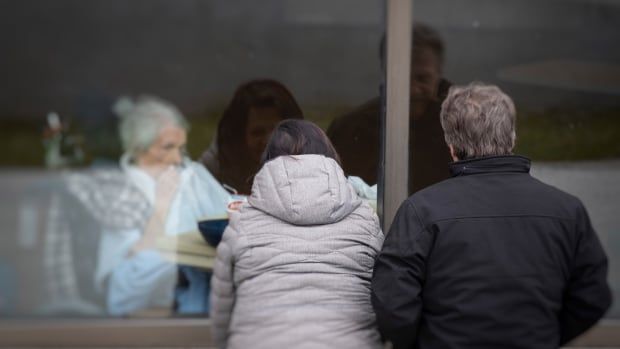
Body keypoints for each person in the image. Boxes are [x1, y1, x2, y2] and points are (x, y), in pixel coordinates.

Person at [371, 83, 612, 348]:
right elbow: (593, 297)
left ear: (451, 145)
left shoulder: (421, 210)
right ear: (512, 137)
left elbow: (392, 303)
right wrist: (547, 335)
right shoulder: (567, 210)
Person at [210, 120, 384, 349]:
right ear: (331, 156)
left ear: (267, 161)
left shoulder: (242, 222)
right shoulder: (365, 220)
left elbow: (222, 307)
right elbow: (387, 295)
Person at [96, 96, 230, 315]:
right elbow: (125, 282)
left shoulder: (192, 175)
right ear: (139, 147)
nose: (177, 159)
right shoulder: (120, 191)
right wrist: (161, 207)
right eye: (167, 147)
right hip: (144, 308)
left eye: (181, 148)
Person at [327, 23, 452, 194]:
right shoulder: (349, 130)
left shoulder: (461, 132)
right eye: (401, 77)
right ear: (385, 73)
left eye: (422, 78)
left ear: (439, 75)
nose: (412, 89)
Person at [201, 79, 304, 194]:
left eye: (278, 130)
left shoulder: (311, 162)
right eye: (258, 132)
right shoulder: (212, 169)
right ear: (239, 136)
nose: (268, 141)